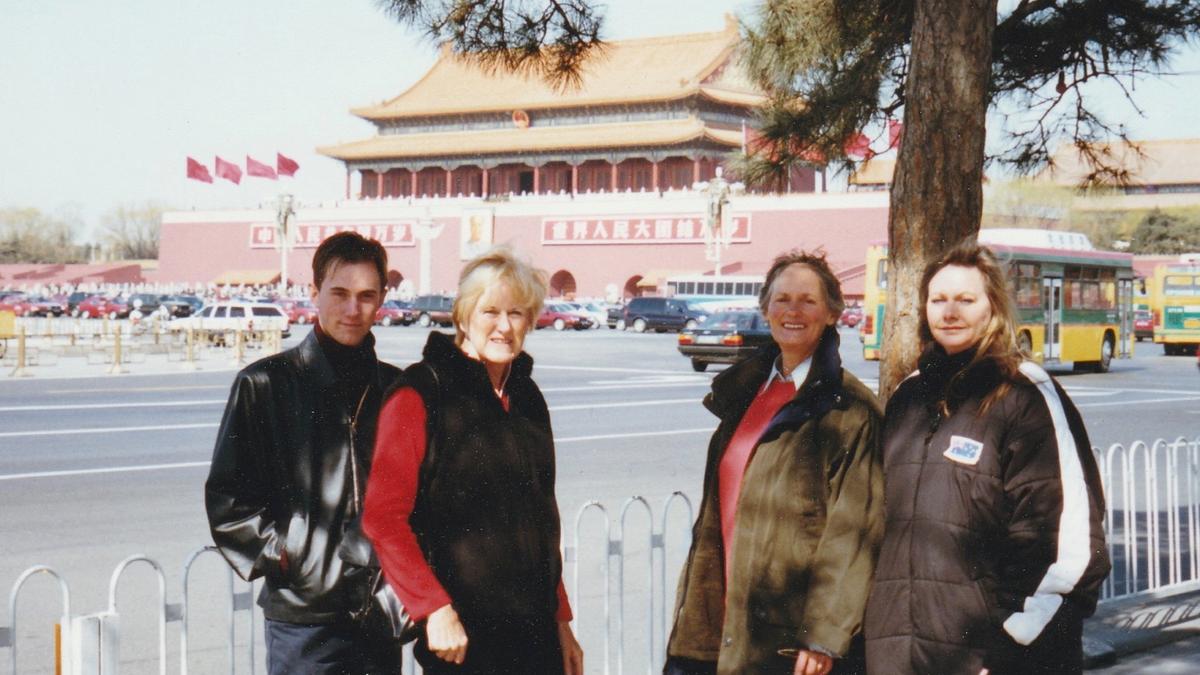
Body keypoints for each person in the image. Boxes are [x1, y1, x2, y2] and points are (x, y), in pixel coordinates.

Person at [864, 242, 1110, 675]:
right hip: (900, 653)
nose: (950, 311)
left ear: (993, 306)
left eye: (966, 299)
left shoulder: (1024, 394)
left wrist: (1011, 645)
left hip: (989, 657)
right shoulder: (908, 396)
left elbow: (1071, 549)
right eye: (938, 300)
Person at [362, 247, 584, 674]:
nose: (504, 326)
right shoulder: (421, 393)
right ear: (462, 316)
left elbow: (541, 525)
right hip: (462, 638)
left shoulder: (528, 399)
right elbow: (383, 517)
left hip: (536, 637)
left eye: (517, 313)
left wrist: (562, 623)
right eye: (490, 312)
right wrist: (434, 609)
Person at [665, 250, 885, 675]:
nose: (793, 311)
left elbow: (854, 533)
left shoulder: (850, 410)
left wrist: (825, 634)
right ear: (766, 309)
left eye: (807, 300)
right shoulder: (746, 392)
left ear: (832, 313)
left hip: (790, 637)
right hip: (723, 613)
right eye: (782, 299)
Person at [205, 231, 401, 674]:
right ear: (313, 294)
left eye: (367, 295)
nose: (353, 309)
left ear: (383, 298)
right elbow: (228, 501)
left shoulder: (395, 389)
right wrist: (288, 556)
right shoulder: (265, 385)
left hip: (379, 610)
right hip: (304, 618)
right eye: (340, 293)